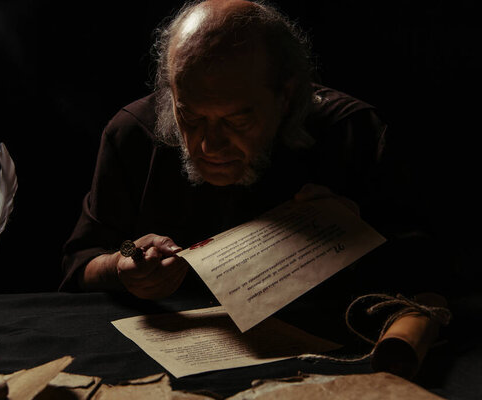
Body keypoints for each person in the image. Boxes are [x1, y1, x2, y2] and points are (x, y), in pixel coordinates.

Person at [60, 0, 396, 299]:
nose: (208, 145)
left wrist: (357, 237)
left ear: (287, 97)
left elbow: (424, 274)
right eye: (189, 115)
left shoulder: (351, 132)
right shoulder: (133, 132)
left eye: (236, 120)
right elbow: (79, 265)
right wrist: (120, 264)